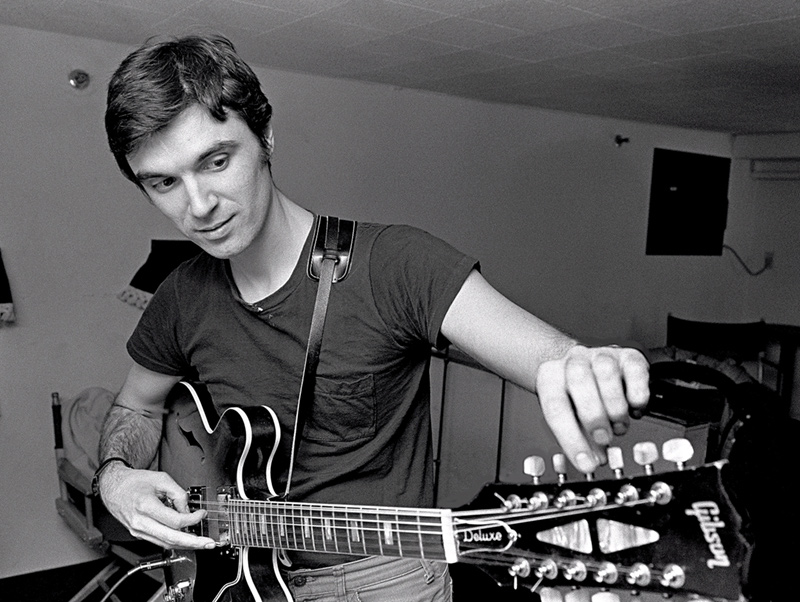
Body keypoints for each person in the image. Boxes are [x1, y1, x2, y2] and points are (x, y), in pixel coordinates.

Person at [98, 33, 650, 602]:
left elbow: (547, 355)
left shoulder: (397, 264)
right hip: (236, 576)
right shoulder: (181, 296)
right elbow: (135, 405)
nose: (198, 205)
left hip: (385, 576)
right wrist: (114, 476)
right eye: (164, 182)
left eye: (216, 161)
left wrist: (584, 363)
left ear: (265, 138)